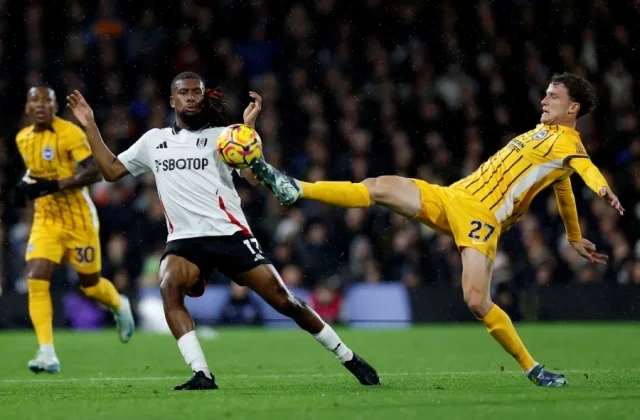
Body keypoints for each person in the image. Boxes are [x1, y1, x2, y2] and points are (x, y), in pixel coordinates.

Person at [250, 72, 626, 387]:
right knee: (379, 185)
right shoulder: (542, 134)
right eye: (545, 93)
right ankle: (296, 187)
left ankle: (533, 368)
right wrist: (574, 236)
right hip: (454, 196)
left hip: (483, 218)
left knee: (477, 300)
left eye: (554, 96)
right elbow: (561, 188)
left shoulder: (569, 143)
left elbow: (580, 173)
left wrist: (600, 188)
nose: (544, 100)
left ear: (573, 107)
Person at [66, 72, 380, 390]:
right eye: (183, 93)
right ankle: (202, 374)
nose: (190, 97)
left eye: (196, 93)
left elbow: (256, 179)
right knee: (168, 285)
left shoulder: (223, 137)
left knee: (285, 301)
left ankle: (349, 358)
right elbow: (111, 170)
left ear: (204, 98)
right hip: (184, 241)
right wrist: (90, 124)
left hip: (229, 234)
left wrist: (249, 131)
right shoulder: (154, 141)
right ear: (172, 100)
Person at [13, 86, 135, 374]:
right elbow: (38, 168)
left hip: (79, 220)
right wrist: (25, 183)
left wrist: (55, 186)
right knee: (36, 278)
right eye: (35, 101)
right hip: (46, 221)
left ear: (55, 107)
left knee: (90, 285)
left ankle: (119, 305)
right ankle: (47, 353)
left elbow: (93, 171)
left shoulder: (70, 133)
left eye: (47, 101)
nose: (41, 105)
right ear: (29, 107)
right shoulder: (23, 138)